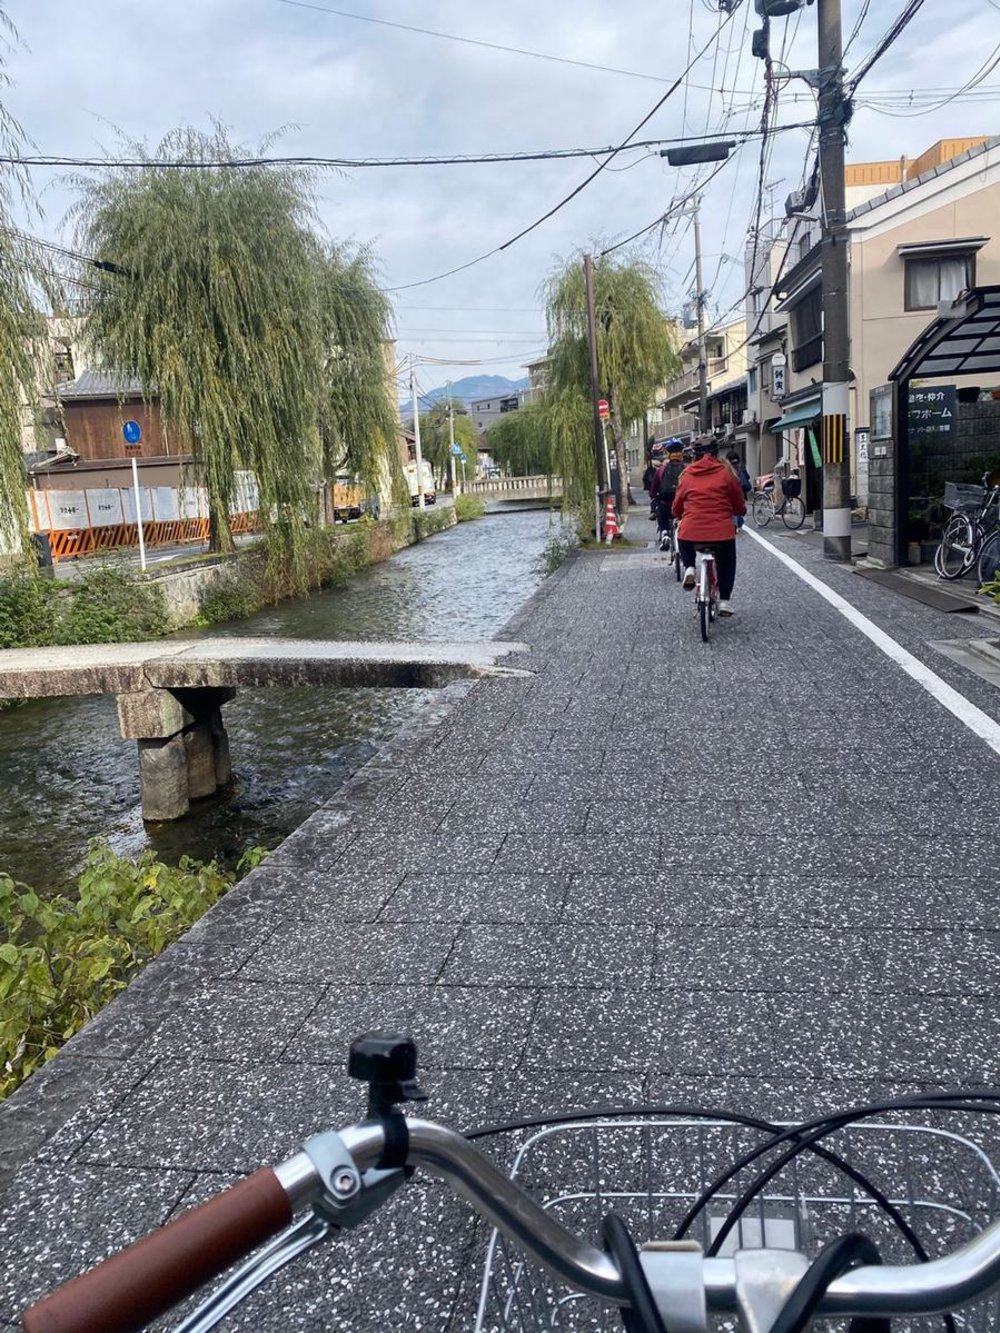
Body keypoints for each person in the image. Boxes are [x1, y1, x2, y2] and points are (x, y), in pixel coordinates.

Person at [672, 437, 746, 616]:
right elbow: (738, 502)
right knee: (727, 561)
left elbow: (677, 506)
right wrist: (739, 511)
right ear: (716, 452)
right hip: (721, 532)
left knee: (682, 534)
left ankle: (690, 567)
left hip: (691, 531)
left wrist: (678, 513)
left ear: (694, 455)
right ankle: (724, 601)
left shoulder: (687, 475)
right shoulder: (726, 473)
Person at [651, 438, 686, 549]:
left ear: (668, 454)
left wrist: (654, 495)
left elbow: (653, 489)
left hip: (666, 503)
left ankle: (665, 532)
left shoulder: (661, 470)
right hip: (682, 504)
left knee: (660, 508)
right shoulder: (687, 469)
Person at [643, 441, 665, 518]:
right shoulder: (667, 461)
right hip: (666, 485)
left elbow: (645, 476)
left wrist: (647, 487)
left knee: (654, 498)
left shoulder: (650, 463)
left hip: (654, 485)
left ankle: (653, 511)